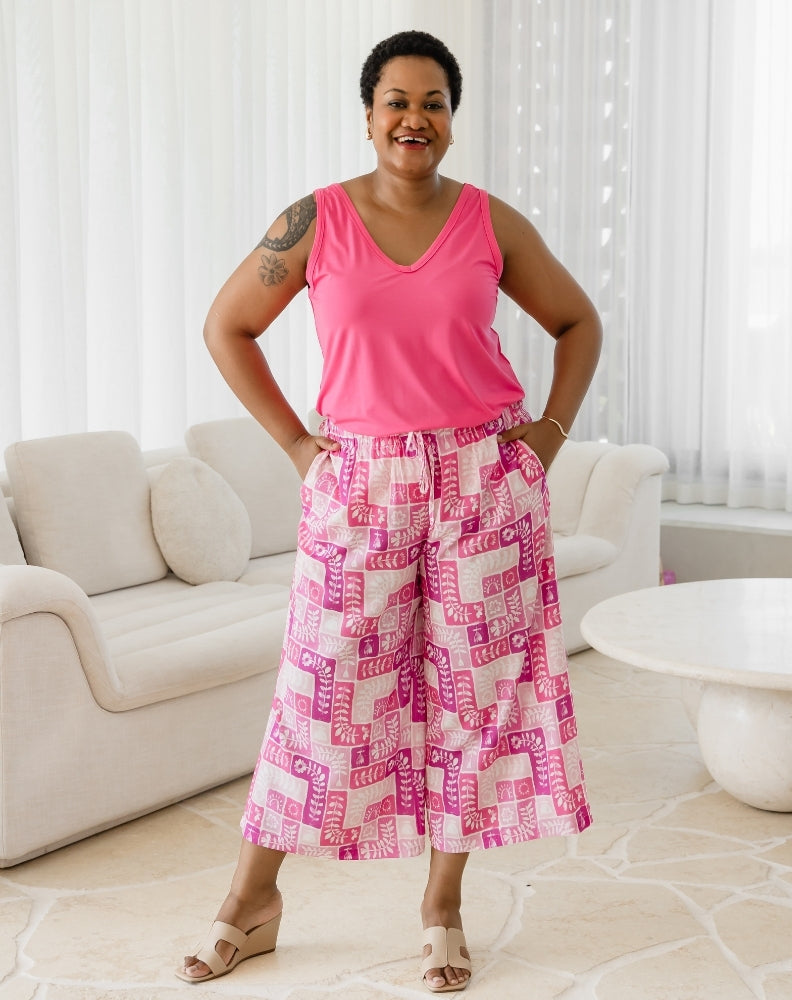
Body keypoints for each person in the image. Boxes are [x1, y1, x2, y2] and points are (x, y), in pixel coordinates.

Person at [176, 29, 602, 994]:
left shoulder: (491, 223)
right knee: (316, 695)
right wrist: (296, 446)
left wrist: (548, 434)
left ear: (453, 118)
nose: (417, 118)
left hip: (483, 488)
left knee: (475, 704)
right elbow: (227, 325)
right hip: (360, 486)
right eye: (397, 101)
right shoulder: (315, 221)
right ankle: (252, 901)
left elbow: (579, 322)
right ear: (368, 115)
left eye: (435, 102)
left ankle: (442, 904)